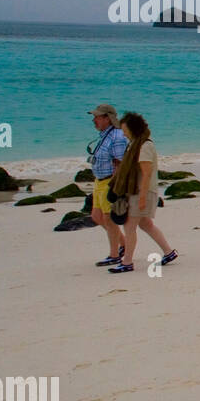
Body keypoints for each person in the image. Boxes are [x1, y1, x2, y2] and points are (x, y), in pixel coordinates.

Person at [106, 112, 177, 274]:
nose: (123, 133)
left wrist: (142, 198)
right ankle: (169, 252)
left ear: (133, 128)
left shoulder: (145, 146)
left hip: (142, 192)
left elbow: (146, 173)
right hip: (136, 192)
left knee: (129, 226)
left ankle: (127, 262)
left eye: (125, 130)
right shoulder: (134, 144)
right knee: (145, 224)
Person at [86, 104, 129, 267]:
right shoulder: (104, 135)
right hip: (99, 180)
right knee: (96, 217)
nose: (94, 120)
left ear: (107, 118)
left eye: (97, 117)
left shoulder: (117, 136)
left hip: (109, 181)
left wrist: (116, 187)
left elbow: (121, 162)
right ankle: (123, 245)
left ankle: (114, 254)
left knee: (108, 219)